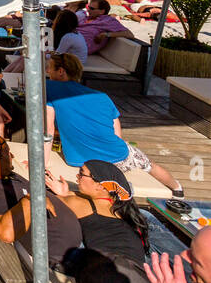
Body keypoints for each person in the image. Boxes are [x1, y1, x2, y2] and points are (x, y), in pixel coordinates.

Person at [44, 161, 167, 283]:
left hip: (105, 272)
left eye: (81, 173)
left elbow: (40, 199)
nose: (76, 177)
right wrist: (68, 192)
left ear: (101, 186)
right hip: (140, 281)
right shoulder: (127, 213)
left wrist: (64, 194)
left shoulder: (79, 204)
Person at [45, 52, 183, 196]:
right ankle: (177, 189)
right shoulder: (102, 97)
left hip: (80, 162)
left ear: (61, 71)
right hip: (118, 158)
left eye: (50, 68)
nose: (47, 72)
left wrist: (43, 163)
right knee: (150, 165)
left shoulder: (50, 88)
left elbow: (48, 130)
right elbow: (117, 133)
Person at [0, 129, 83, 270]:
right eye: (7, 153)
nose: (12, 156)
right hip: (67, 261)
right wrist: (32, 201)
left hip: (77, 247)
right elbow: (5, 233)